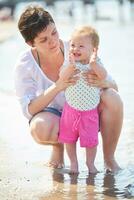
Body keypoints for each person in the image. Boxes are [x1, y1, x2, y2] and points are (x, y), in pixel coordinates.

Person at [14, 5, 123, 172]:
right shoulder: (25, 64)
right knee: (40, 127)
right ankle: (58, 147)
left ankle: (109, 159)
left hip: (88, 111)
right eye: (43, 40)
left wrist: (103, 83)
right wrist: (58, 86)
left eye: (54, 32)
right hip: (56, 116)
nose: (53, 42)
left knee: (113, 98)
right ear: (31, 43)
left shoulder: (76, 48)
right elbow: (28, 110)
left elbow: (114, 86)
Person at [58, 26, 107, 174]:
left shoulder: (96, 63)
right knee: (68, 139)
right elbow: (62, 76)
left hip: (90, 112)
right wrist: (71, 67)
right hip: (70, 110)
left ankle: (90, 163)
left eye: (81, 46)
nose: (75, 49)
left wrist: (93, 65)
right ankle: (73, 163)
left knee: (91, 141)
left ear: (93, 50)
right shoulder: (70, 63)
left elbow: (103, 76)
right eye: (73, 45)